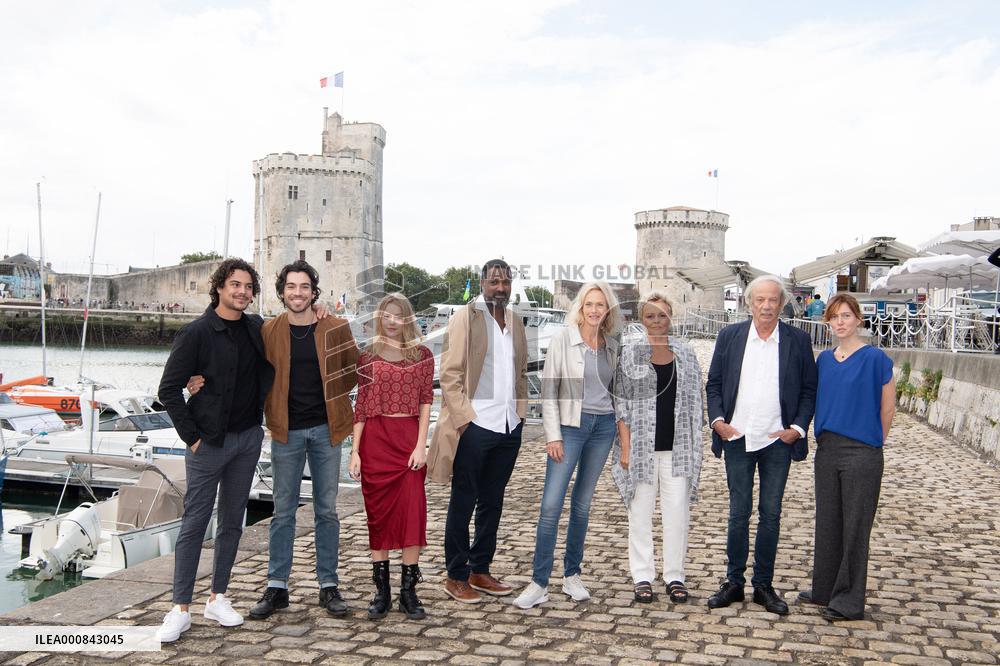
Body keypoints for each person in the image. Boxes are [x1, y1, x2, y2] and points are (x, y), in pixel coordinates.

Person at [156, 258, 275, 642]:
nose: (242, 291)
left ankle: (217, 597)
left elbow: (294, 331)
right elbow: (168, 390)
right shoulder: (197, 333)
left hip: (246, 439)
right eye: (235, 284)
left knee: (232, 522)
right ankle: (180, 608)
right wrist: (192, 436)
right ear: (220, 288)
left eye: (248, 286)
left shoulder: (258, 328)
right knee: (194, 523)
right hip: (207, 442)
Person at [249, 260, 357, 619]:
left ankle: (328, 586)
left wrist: (331, 402)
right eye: (291, 287)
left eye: (304, 287)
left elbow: (352, 374)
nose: (298, 293)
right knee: (283, 512)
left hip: (327, 431)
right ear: (282, 292)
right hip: (285, 431)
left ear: (314, 292)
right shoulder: (267, 330)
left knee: (326, 511)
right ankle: (277, 587)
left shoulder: (335, 326)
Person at [705, 274, 817, 615]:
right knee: (739, 513)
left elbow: (809, 390)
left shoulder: (797, 340)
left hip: (777, 441)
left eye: (773, 300)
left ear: (782, 304)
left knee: (771, 514)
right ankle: (733, 582)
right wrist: (718, 421)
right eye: (760, 300)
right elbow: (714, 383)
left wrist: (796, 428)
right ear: (749, 303)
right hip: (737, 437)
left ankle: (763, 586)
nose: (766, 306)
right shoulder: (730, 336)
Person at [514, 281, 622, 609]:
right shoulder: (564, 339)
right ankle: (539, 581)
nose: (594, 310)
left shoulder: (612, 344)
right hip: (570, 428)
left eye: (600, 305)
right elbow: (548, 390)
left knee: (583, 504)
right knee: (550, 506)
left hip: (603, 428)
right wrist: (553, 435)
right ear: (580, 306)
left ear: (608, 310)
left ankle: (572, 574)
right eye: (589, 304)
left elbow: (617, 390)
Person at [427, 259, 528, 604]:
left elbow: (521, 371)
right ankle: (455, 576)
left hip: (508, 424)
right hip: (476, 424)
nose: (500, 288)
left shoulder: (514, 321)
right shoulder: (465, 318)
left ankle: (480, 569)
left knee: (492, 502)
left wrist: (521, 412)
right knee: (463, 501)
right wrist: (465, 418)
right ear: (483, 283)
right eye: (494, 282)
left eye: (506, 282)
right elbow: (450, 373)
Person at [798, 293, 894, 621]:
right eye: (834, 317)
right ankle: (824, 588)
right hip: (827, 451)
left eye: (846, 316)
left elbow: (887, 407)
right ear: (828, 322)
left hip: (862, 452)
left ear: (858, 319)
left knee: (855, 529)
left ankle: (849, 602)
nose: (840, 322)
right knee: (828, 523)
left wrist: (872, 442)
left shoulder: (876, 359)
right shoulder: (823, 360)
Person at [610, 291, 704, 605]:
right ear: (641, 319)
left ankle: (675, 575)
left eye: (662, 315)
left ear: (670, 317)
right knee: (640, 513)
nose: (656, 321)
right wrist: (625, 447)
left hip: (677, 447)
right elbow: (620, 402)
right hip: (640, 447)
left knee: (677, 514)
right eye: (650, 316)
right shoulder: (630, 352)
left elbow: (695, 402)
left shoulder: (686, 353)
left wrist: (695, 446)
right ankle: (642, 576)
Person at [349, 293, 434, 620]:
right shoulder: (367, 357)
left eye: (399, 315)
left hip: (407, 441)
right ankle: (381, 592)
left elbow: (426, 401)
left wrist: (420, 445)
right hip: (375, 442)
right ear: (380, 318)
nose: (393, 321)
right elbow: (362, 405)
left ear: (407, 319)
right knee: (379, 516)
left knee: (413, 513)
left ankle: (408, 593)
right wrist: (355, 452)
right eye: (388, 315)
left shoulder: (423, 355)